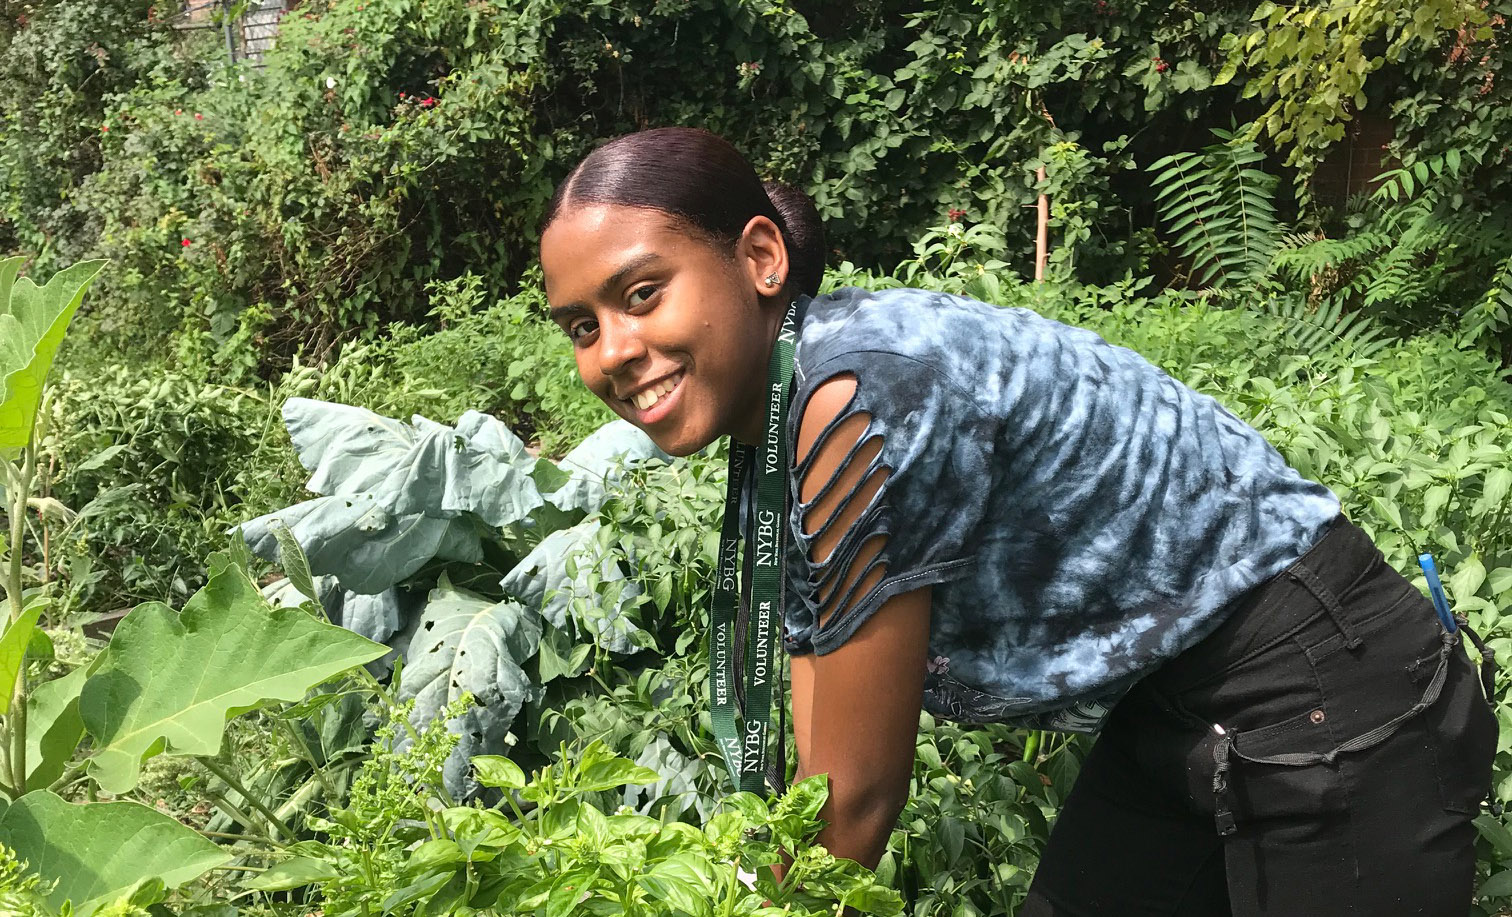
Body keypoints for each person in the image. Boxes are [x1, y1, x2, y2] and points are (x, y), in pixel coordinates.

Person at [537, 126, 1498, 915]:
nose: (615, 349)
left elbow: (861, 797)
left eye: (641, 292)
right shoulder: (789, 408)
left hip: (1323, 683)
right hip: (1174, 697)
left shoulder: (859, 396)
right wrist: (765, 870)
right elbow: (819, 745)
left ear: (758, 256)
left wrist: (771, 901)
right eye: (583, 324)